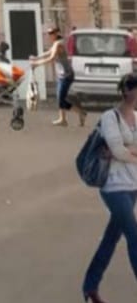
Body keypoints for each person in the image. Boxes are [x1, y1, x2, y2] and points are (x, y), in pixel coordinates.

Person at [82, 73, 137, 302]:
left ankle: (90, 286)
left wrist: (129, 151)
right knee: (134, 238)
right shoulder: (109, 117)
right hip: (113, 187)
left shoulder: (136, 117)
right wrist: (129, 151)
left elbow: (124, 151)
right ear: (128, 91)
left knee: (111, 238)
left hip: (133, 184)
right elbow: (117, 151)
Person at [31, 25, 86, 127]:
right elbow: (48, 52)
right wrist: (36, 58)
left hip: (67, 75)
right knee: (61, 98)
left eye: (51, 33)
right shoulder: (56, 43)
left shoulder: (59, 44)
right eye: (48, 33)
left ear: (56, 33)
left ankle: (80, 113)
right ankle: (63, 119)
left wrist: (37, 64)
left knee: (61, 99)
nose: (49, 35)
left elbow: (51, 58)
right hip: (62, 75)